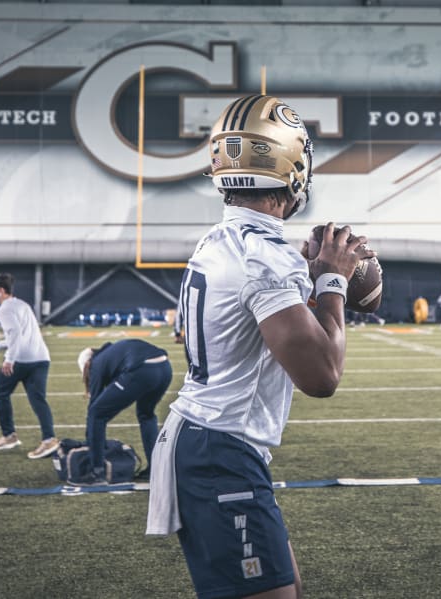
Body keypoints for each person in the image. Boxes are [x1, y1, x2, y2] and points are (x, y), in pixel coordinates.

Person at [145, 95, 375, 599]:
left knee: (287, 584)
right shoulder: (266, 256)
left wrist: (313, 278)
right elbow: (322, 377)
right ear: (293, 168)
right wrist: (332, 282)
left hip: (209, 440)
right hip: (218, 449)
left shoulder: (225, 239)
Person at [74, 339, 173, 485]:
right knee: (146, 415)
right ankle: (155, 469)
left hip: (142, 369)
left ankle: (97, 472)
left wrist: (91, 443)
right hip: (165, 368)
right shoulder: (110, 352)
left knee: (97, 414)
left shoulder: (95, 363)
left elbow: (94, 408)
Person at [0, 273, 59, 459]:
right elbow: (23, 334)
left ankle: (9, 436)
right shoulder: (22, 304)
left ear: (1, 290)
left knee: (1, 392)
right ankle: (49, 439)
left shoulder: (4, 309)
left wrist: (9, 359)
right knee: (38, 400)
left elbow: (16, 334)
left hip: (22, 360)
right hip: (41, 358)